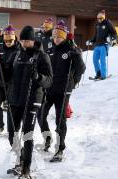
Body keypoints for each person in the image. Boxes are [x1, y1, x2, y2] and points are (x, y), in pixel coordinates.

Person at [7, 25, 53, 179]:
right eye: (22, 40)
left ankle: (26, 170)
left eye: (27, 40)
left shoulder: (42, 56)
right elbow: (10, 75)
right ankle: (19, 160)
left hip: (32, 99)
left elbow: (49, 80)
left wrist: (37, 77)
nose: (24, 43)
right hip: (16, 99)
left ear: (33, 40)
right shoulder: (17, 54)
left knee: (27, 134)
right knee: (12, 132)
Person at [38, 21, 85, 161]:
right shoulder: (50, 49)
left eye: (59, 36)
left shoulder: (71, 49)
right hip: (49, 89)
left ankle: (59, 149)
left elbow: (81, 69)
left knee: (60, 120)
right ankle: (47, 139)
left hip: (63, 90)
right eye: (55, 36)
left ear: (65, 37)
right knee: (41, 115)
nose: (56, 39)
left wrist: (76, 56)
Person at [0, 25, 21, 137]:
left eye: (10, 40)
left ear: (14, 38)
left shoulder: (19, 49)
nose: (8, 42)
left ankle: (12, 128)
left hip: (12, 83)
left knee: (11, 106)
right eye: (6, 40)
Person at [86, 10, 117, 80]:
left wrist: (112, 39)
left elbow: (114, 33)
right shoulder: (97, 25)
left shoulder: (108, 23)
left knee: (102, 60)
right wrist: (91, 41)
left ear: (103, 18)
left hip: (104, 44)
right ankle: (98, 73)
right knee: (95, 60)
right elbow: (96, 35)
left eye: (100, 18)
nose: (99, 20)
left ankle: (103, 75)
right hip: (97, 45)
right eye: (98, 18)